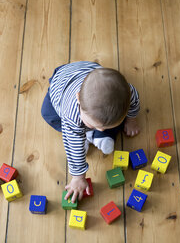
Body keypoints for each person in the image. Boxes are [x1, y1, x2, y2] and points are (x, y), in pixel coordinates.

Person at [41, 61, 140, 203]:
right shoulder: (71, 115)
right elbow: (73, 150)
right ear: (78, 98)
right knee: (47, 114)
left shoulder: (129, 93)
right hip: (60, 85)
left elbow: (134, 103)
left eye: (103, 128)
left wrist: (131, 120)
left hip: (93, 74)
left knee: (109, 117)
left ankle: (97, 134)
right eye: (94, 126)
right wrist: (78, 178)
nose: (100, 128)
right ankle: (88, 135)